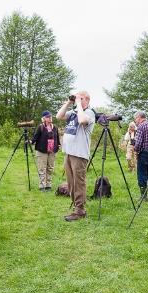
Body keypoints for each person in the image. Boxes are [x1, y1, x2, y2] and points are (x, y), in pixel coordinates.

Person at [56, 91, 95, 221]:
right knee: (71, 183)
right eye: (77, 97)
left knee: (79, 183)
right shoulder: (73, 112)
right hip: (69, 152)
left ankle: (80, 211)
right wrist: (69, 102)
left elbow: (82, 120)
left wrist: (78, 104)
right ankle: (76, 208)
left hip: (79, 154)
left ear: (87, 100)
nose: (78, 99)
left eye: (81, 97)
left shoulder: (89, 113)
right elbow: (59, 116)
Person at [31, 110, 60, 192]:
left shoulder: (55, 127)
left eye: (50, 116)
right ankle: (42, 186)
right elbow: (35, 137)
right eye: (47, 117)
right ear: (44, 118)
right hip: (42, 151)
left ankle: (48, 185)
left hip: (52, 151)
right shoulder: (40, 127)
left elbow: (57, 137)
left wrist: (58, 146)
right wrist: (31, 142)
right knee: (42, 168)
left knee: (50, 168)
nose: (50, 118)